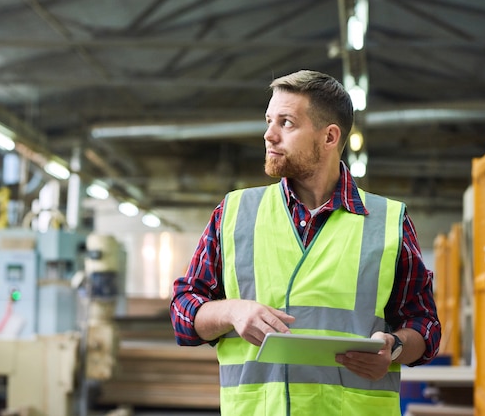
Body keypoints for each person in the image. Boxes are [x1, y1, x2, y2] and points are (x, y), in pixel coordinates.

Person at [169, 70, 440, 416]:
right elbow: (182, 311)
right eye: (269, 121)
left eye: (286, 123)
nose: (269, 135)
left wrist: (397, 347)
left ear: (329, 137)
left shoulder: (388, 222)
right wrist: (232, 311)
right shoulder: (235, 213)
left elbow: (425, 326)